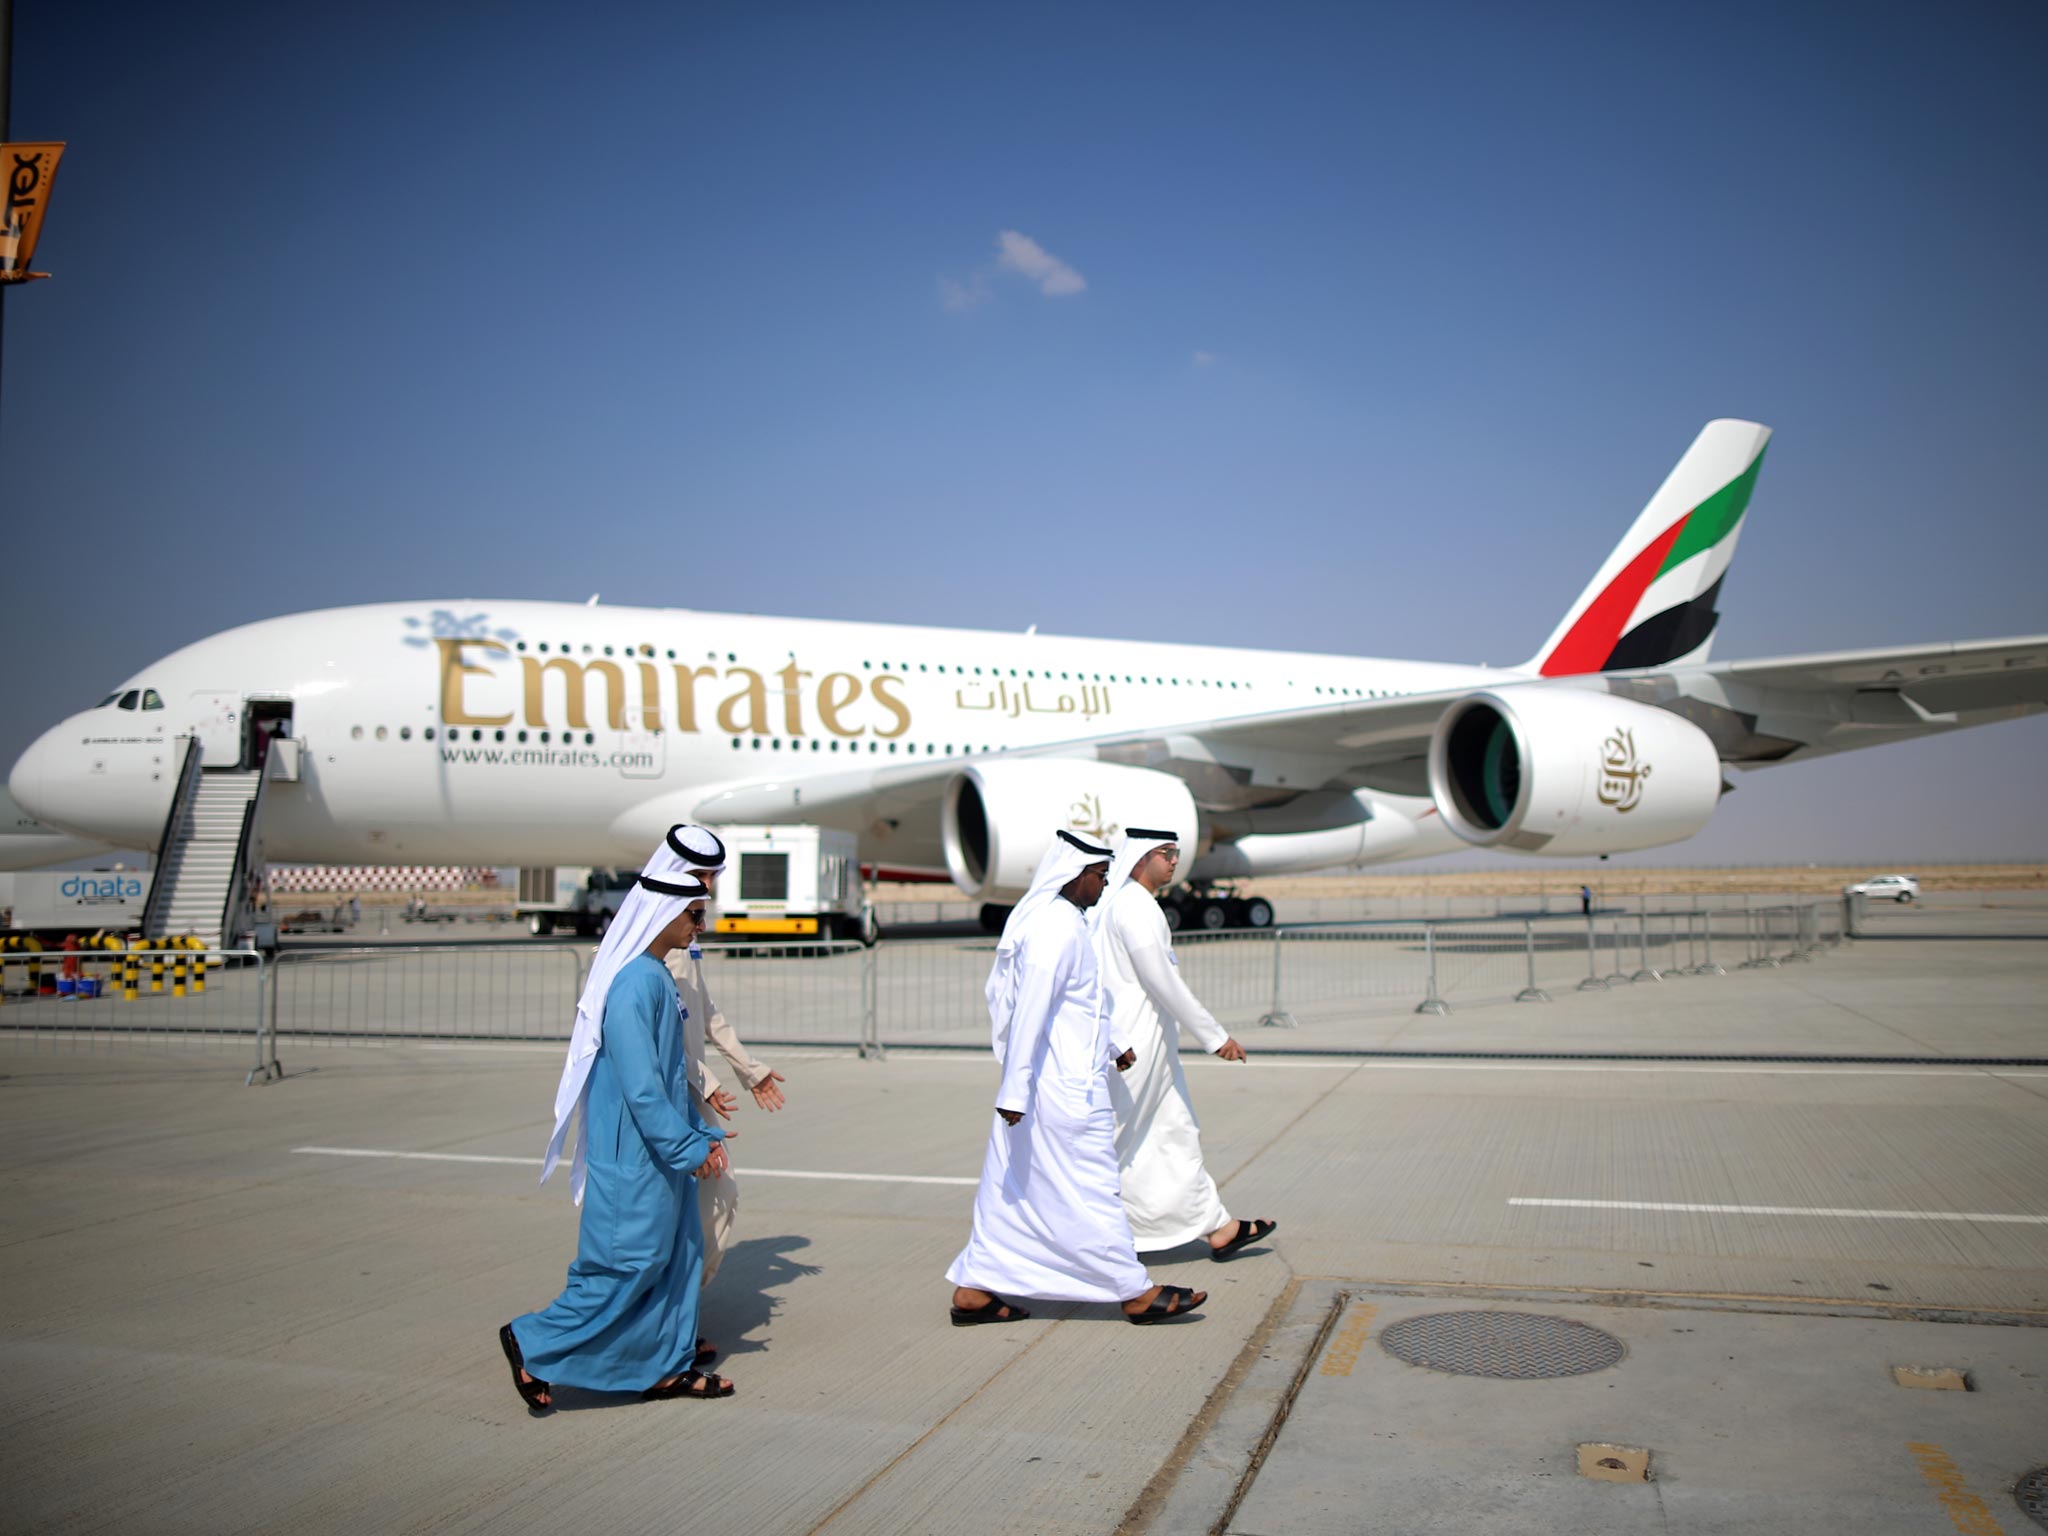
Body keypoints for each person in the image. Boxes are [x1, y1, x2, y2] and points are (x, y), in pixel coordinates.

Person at [498, 834, 735, 1411]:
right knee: (624, 1267)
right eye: (693, 914)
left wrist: (701, 1135)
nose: (700, 925)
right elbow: (642, 1088)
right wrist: (688, 1147)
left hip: (662, 1154)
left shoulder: (656, 977)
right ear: (663, 913)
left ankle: (664, 1367)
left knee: (677, 1262)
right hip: (634, 1158)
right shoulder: (633, 985)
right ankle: (531, 1341)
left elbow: (671, 1074)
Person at [946, 830, 1207, 1326]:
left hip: (1052, 1086)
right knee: (1092, 1190)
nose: (1105, 884)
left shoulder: (1067, 921)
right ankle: (1133, 1291)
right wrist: (1015, 1090)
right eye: (1100, 875)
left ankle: (974, 1289)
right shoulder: (1055, 929)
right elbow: (1031, 1012)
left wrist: (1114, 1041)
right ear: (1075, 874)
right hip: (1059, 1091)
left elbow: (1083, 1001)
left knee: (1012, 1192)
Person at [1096, 829, 1277, 1262]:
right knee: (1115, 1143)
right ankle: (1080, 1237)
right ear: (1142, 857)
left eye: (1175, 852)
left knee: (1175, 1133)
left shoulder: (1136, 904)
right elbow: (1163, 981)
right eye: (1166, 853)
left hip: (1152, 1043)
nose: (1175, 860)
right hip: (1135, 1047)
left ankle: (1218, 1227)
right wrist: (1215, 1037)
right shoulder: (1134, 906)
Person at [661, 824, 788, 1301]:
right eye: (701, 875)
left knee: (710, 1201)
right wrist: (707, 1082)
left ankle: (677, 1314)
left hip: (692, 1089)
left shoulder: (685, 928)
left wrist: (748, 1068)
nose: (709, 887)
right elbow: (655, 1037)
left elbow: (703, 1009)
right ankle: (670, 1314)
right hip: (667, 1093)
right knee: (705, 1201)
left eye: (713, 876)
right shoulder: (655, 936)